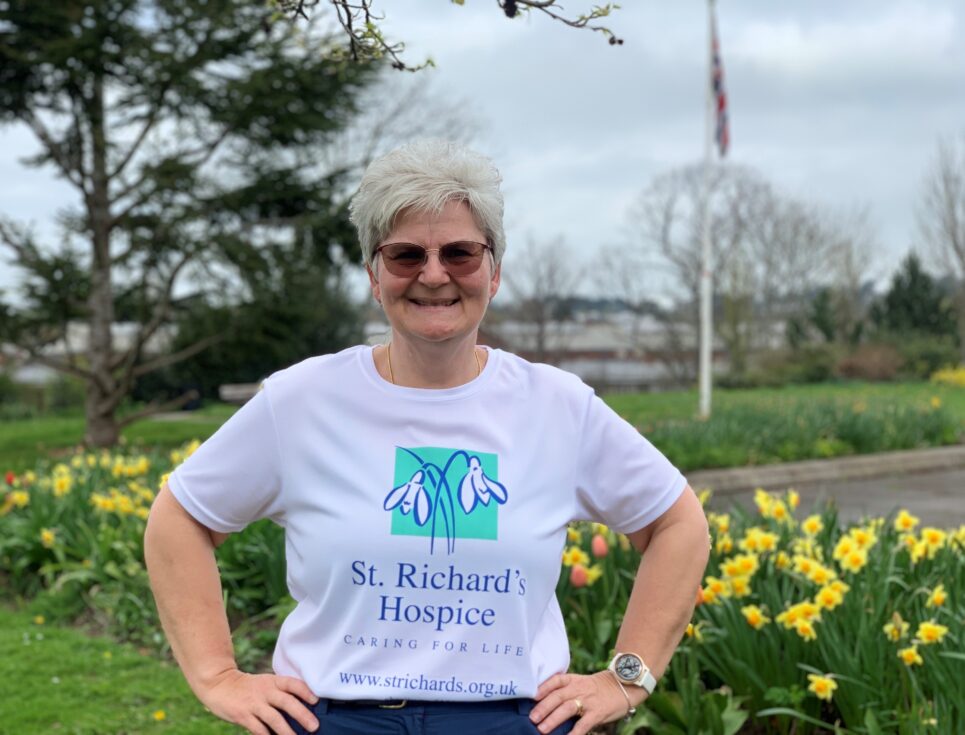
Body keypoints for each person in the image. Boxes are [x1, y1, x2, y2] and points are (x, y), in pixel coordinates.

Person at [144, 140, 709, 735]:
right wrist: (216, 676)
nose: (434, 274)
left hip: (512, 721)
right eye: (405, 254)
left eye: (461, 253)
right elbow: (180, 517)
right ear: (373, 276)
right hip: (337, 720)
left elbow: (677, 523)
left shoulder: (557, 407)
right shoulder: (302, 401)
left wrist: (627, 678)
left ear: (493, 274)